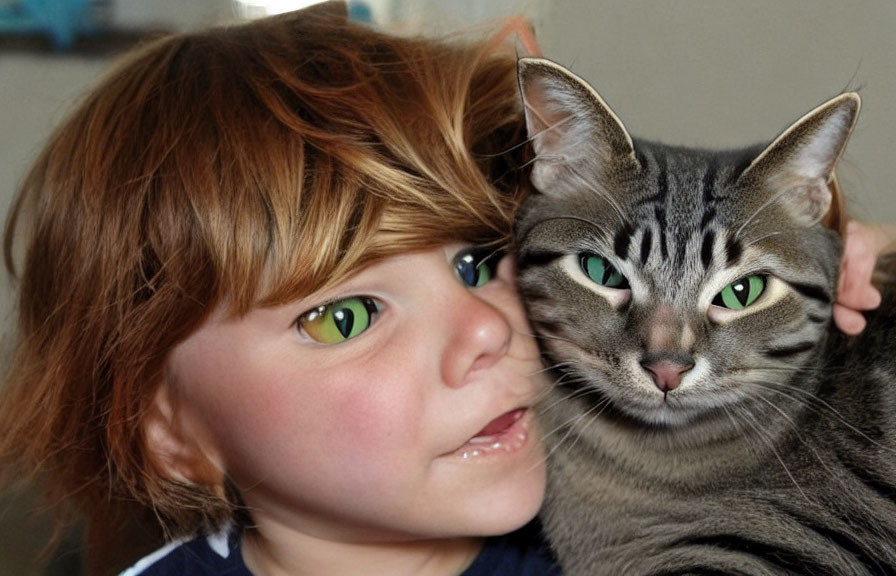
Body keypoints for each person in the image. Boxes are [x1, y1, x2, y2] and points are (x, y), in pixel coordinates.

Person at [0, 3, 890, 575]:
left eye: (474, 264)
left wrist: (845, 265)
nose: (483, 332)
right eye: (345, 314)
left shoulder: (583, 518)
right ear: (175, 436)